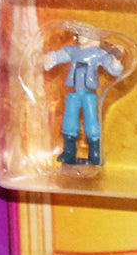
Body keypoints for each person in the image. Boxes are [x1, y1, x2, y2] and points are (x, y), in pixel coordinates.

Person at [42, 25, 125, 170]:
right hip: (74, 93)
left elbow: (112, 69)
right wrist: (48, 58)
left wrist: (116, 61)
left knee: (92, 123)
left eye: (85, 33)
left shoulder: (98, 53)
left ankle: (94, 153)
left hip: (89, 94)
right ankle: (68, 151)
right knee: (69, 121)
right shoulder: (73, 51)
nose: (81, 36)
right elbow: (59, 55)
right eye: (80, 33)